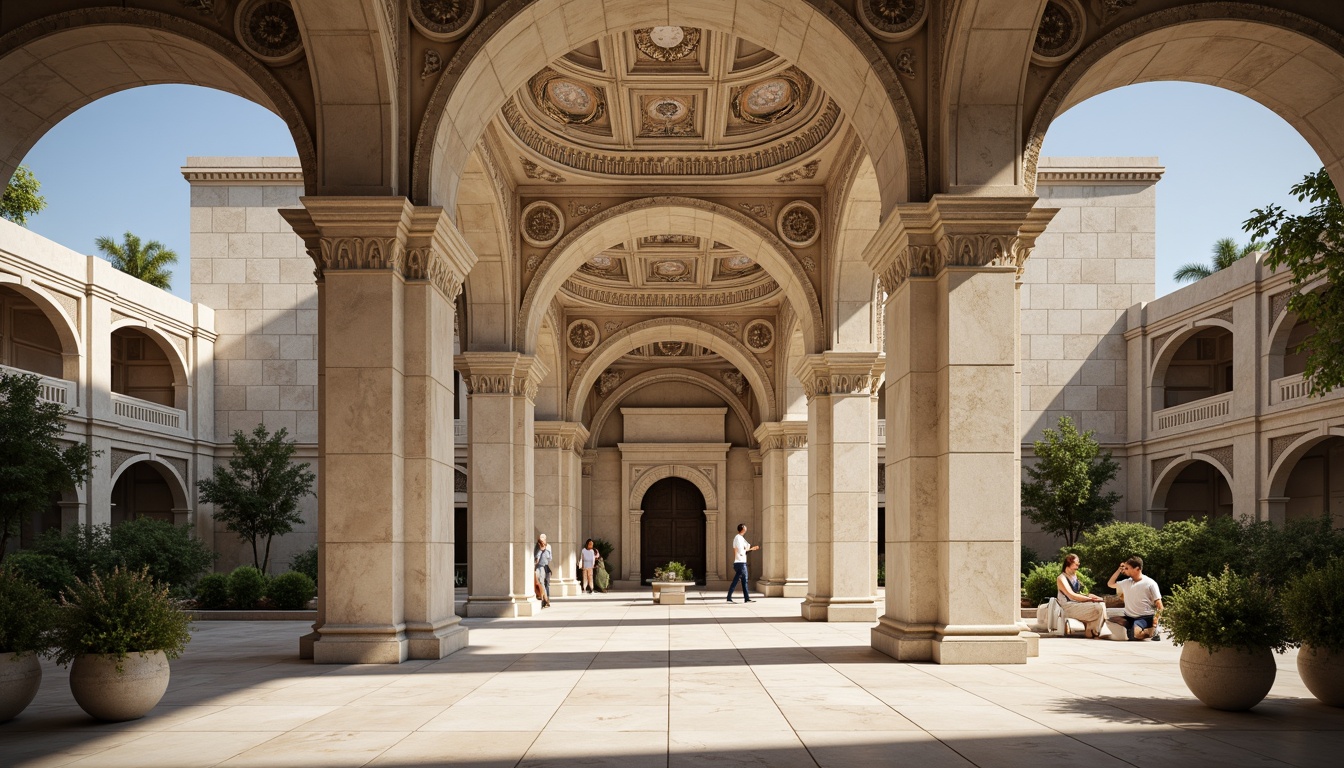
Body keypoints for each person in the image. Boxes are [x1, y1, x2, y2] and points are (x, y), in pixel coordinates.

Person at [1107, 556, 1163, 640]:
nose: (1124, 570)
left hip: (1144, 617)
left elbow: (1160, 607)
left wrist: (1155, 622)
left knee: (1136, 635)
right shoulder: (1126, 582)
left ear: (1137, 568)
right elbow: (1110, 584)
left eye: (1127, 568)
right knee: (1110, 620)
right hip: (1129, 617)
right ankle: (1133, 629)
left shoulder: (1150, 583)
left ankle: (1153, 632)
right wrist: (1119, 570)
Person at [1056, 553, 1107, 638]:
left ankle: (1092, 629)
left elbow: (1079, 593)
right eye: (1077, 562)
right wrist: (1091, 599)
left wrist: (1092, 596)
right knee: (1098, 608)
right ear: (1069, 562)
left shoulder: (1075, 576)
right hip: (1068, 606)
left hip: (1077, 604)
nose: (1078, 564)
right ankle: (1094, 630)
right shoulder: (1061, 578)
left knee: (1102, 604)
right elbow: (1072, 595)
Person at [726, 523, 759, 603]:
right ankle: (729, 598)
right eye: (745, 527)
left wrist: (751, 548)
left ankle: (746, 598)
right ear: (743, 529)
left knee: (744, 581)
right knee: (737, 581)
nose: (746, 528)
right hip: (740, 563)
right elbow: (741, 550)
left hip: (741, 562)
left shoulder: (740, 538)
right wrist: (752, 549)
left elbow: (746, 547)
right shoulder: (738, 538)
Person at [534, 533, 553, 608]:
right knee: (541, 582)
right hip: (540, 566)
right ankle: (544, 599)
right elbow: (536, 557)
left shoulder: (548, 547)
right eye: (541, 540)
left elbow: (550, 558)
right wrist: (540, 551)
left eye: (543, 540)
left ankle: (547, 598)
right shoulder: (538, 546)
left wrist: (545, 551)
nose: (542, 542)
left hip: (546, 567)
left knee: (547, 584)